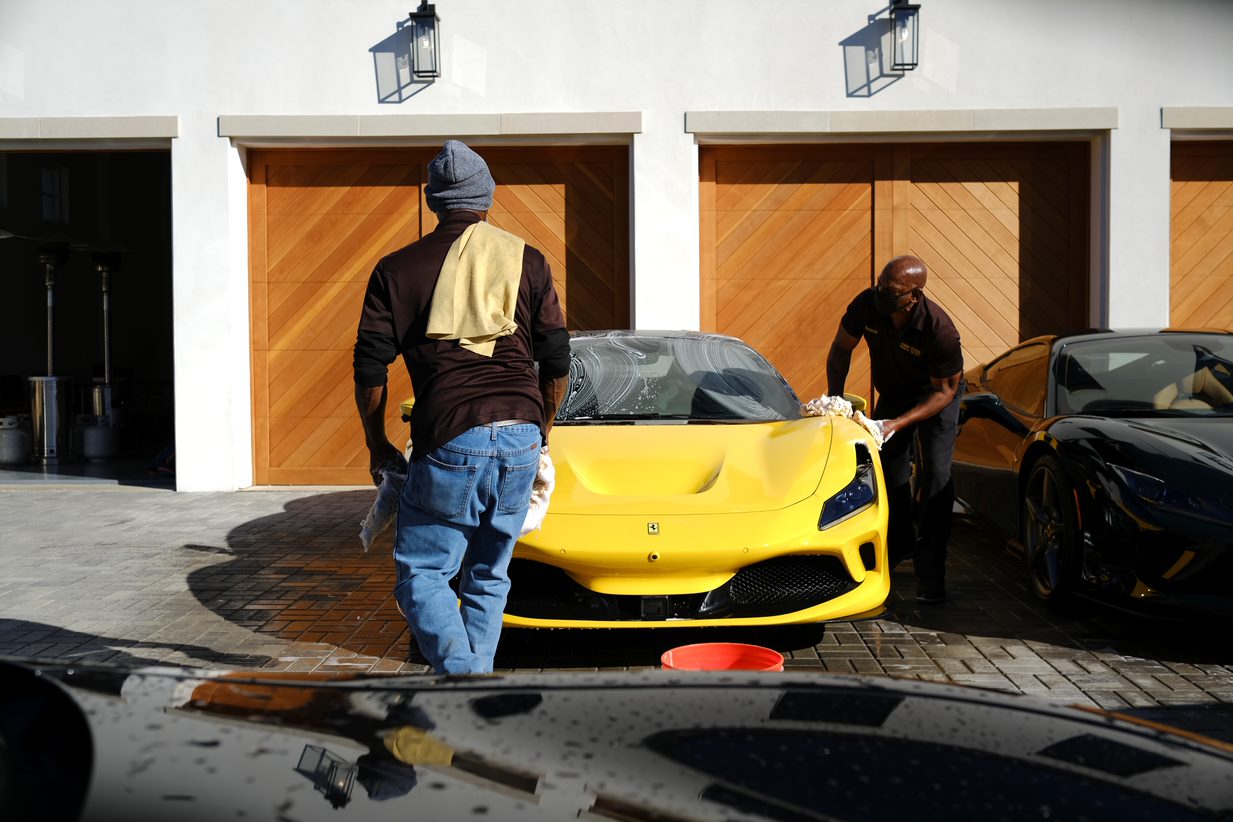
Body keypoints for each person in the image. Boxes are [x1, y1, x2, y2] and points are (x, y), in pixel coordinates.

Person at [353, 140, 570, 673]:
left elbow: (370, 369)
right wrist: (541, 428)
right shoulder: (529, 260)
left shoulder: (396, 270)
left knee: (423, 575)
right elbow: (558, 360)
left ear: (433, 200)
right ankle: (474, 694)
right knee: (489, 575)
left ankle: (463, 680)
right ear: (487, 197)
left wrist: (376, 442)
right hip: (521, 432)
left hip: (451, 433)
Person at [826, 255, 963, 604]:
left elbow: (944, 391)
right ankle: (899, 544)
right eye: (881, 285)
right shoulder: (867, 305)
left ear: (913, 296)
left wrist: (896, 424)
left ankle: (931, 572)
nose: (882, 293)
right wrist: (835, 399)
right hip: (894, 394)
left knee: (936, 476)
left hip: (936, 399)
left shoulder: (939, 330)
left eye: (892, 290)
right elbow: (842, 348)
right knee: (887, 471)